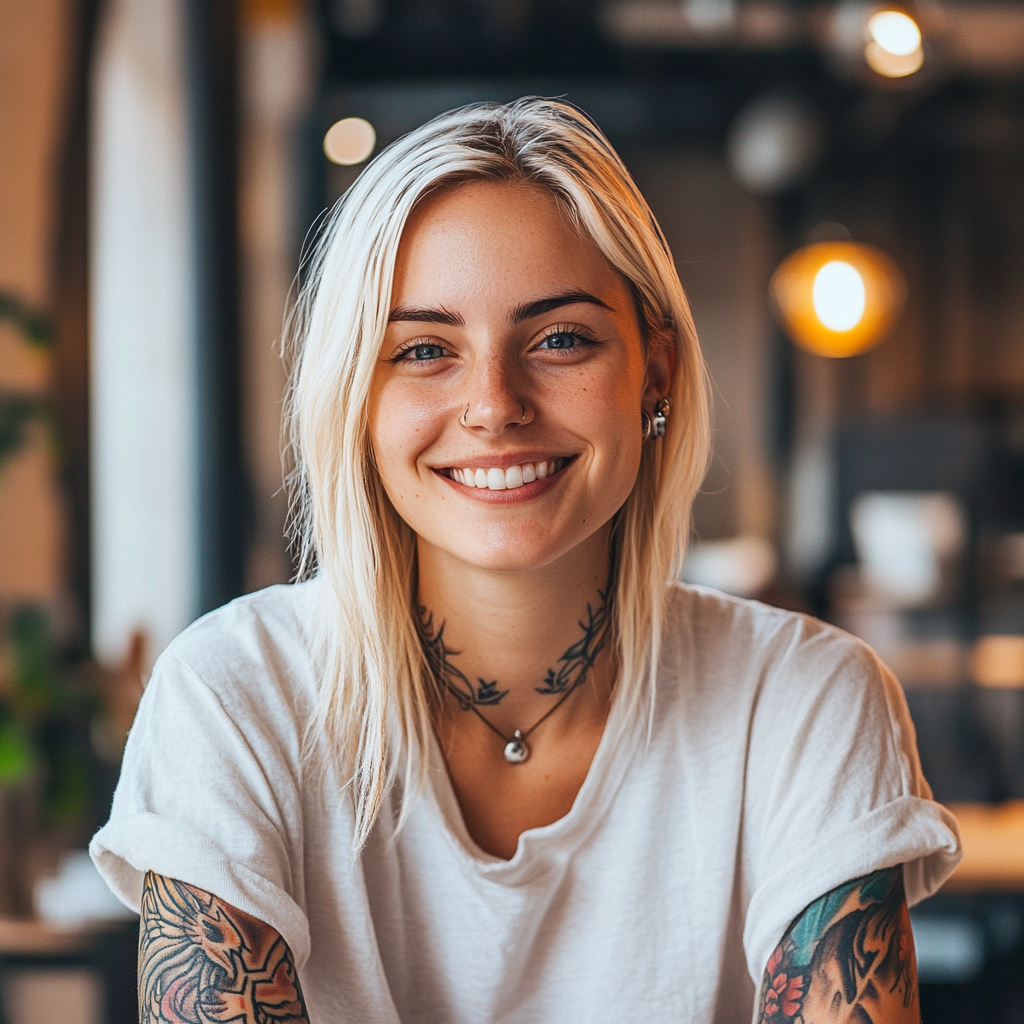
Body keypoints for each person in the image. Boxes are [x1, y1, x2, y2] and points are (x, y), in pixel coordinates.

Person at [91, 98, 960, 1024]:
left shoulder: (803, 701)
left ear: (654, 374)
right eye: (425, 350)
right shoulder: (234, 695)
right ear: (356, 398)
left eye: (559, 340)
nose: (493, 405)